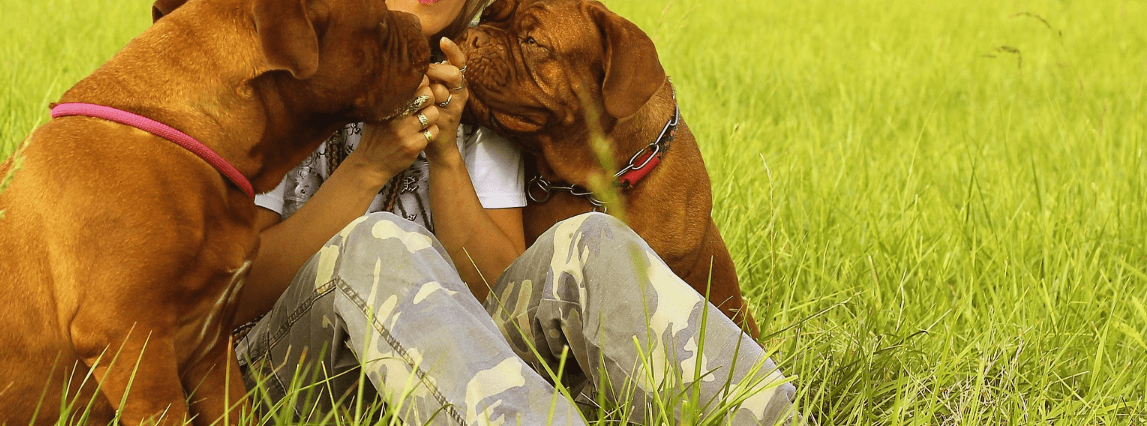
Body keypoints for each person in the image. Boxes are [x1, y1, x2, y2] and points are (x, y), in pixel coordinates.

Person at [229, 0, 800, 424]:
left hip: (447, 374)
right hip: (289, 374)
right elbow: (236, 296)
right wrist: (369, 167)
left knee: (593, 237)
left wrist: (446, 153)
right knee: (381, 241)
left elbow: (501, 292)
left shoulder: (477, 90)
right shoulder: (288, 71)